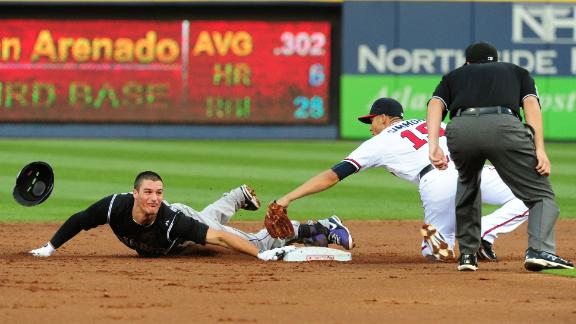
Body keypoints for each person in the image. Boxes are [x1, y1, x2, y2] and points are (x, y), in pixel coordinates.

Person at [273, 97, 528, 262]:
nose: (370, 127)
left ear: (383, 118)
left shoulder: (379, 141)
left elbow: (332, 176)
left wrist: (287, 198)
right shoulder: (432, 123)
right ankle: (482, 230)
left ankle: (456, 235)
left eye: (371, 120)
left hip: (437, 182)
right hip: (471, 169)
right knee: (530, 195)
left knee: (436, 254)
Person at [426, 41, 574, 271]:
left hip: (461, 129)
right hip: (504, 126)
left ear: (468, 61)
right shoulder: (517, 71)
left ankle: (467, 255)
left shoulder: (454, 75)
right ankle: (539, 250)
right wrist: (540, 149)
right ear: (496, 59)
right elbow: (531, 105)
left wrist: (433, 144)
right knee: (541, 194)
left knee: (468, 185)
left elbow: (436, 104)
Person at [29, 171, 353, 260]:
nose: (154, 198)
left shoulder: (171, 220)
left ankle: (322, 227)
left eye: (159, 192)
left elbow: (221, 237)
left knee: (257, 242)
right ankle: (237, 197)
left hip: (182, 232)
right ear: (134, 194)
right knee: (206, 220)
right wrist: (50, 247)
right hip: (179, 238)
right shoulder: (113, 207)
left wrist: (260, 256)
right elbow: (79, 219)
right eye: (148, 193)